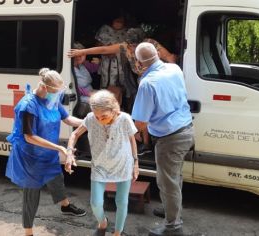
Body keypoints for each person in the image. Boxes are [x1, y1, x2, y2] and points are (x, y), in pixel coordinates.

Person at [68, 28, 176, 156]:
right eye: (129, 45)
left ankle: (144, 140)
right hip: (142, 81)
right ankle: (144, 143)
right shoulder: (125, 46)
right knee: (143, 111)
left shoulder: (151, 45)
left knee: (148, 112)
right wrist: (82, 51)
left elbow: (171, 58)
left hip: (156, 80)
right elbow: (104, 50)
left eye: (134, 46)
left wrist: (172, 78)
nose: (131, 49)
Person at [5, 68, 87, 236]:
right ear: (44, 87)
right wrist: (58, 148)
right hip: (31, 156)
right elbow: (29, 137)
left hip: (47, 152)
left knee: (56, 178)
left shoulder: (52, 100)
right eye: (54, 92)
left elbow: (67, 119)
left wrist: (89, 121)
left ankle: (65, 206)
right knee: (31, 193)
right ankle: (28, 231)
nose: (56, 95)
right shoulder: (28, 105)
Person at [131, 42, 195, 236]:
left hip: (170, 138)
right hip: (186, 130)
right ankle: (171, 210)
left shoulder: (147, 83)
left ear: (139, 63)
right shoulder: (174, 68)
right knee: (174, 178)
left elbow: (140, 122)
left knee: (167, 182)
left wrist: (125, 131)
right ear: (157, 54)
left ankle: (173, 227)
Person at [65, 90, 139, 236]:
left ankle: (117, 232)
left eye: (103, 116)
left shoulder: (124, 119)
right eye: (97, 116)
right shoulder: (91, 118)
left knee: (122, 201)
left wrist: (136, 163)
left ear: (113, 110)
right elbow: (74, 134)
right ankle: (102, 222)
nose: (99, 120)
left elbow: (132, 140)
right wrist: (69, 153)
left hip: (123, 164)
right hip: (99, 166)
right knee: (96, 203)